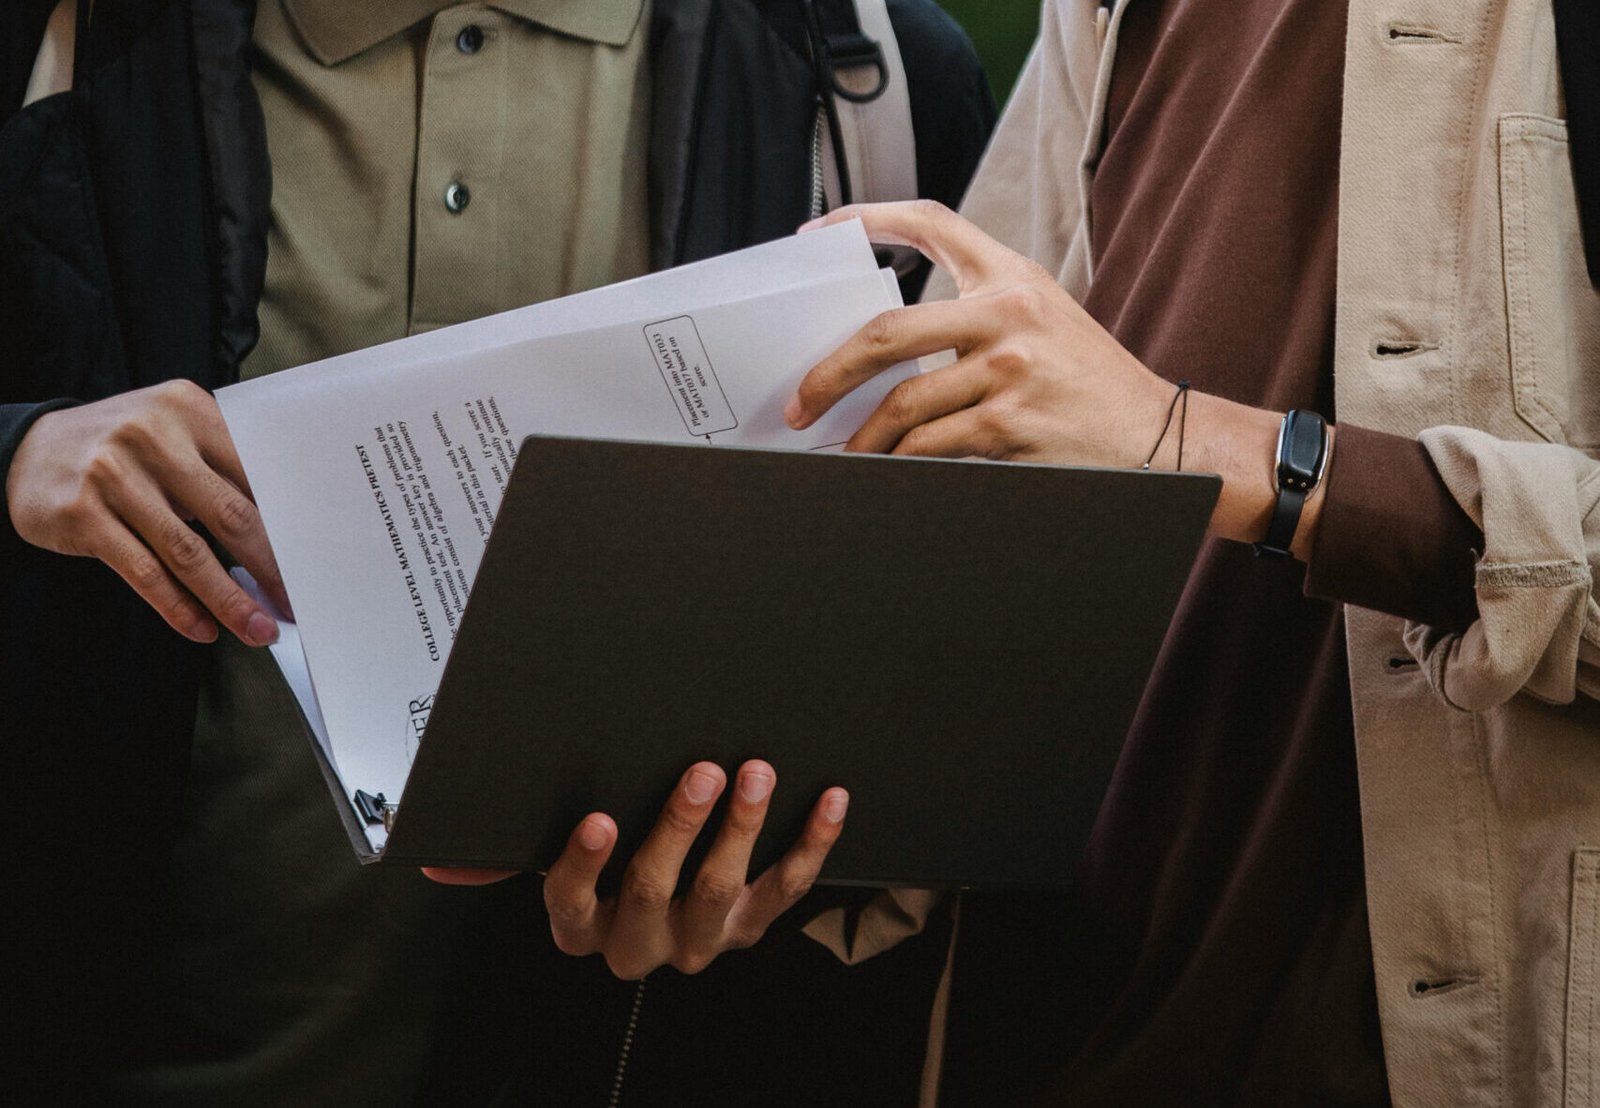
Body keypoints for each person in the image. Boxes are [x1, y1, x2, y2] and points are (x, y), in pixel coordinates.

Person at [0, 0, 989, 1101]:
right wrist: (16, 452)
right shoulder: (56, 41)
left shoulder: (873, 81)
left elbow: (946, 663)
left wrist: (770, 872)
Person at [785, 0, 1600, 1103]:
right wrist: (762, 838)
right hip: (1039, 1027)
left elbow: (1135, 423)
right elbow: (951, 543)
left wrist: (1218, 449)